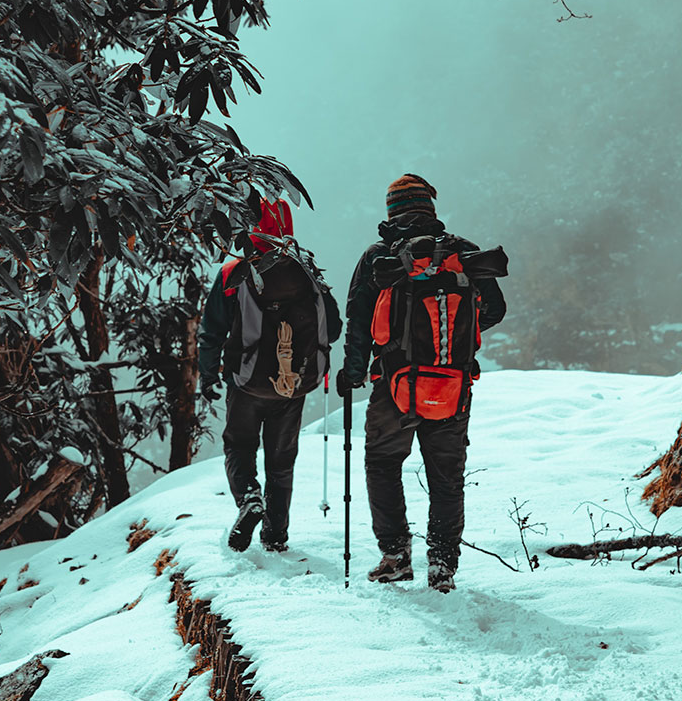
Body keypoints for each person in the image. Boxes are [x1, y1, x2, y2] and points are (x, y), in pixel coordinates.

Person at [337, 174, 506, 592]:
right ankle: (443, 565)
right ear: (430, 207)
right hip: (453, 383)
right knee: (446, 475)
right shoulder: (462, 252)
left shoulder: (380, 256)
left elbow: (358, 320)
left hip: (393, 383)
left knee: (383, 464)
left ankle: (395, 555)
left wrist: (354, 371)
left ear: (392, 211)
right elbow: (496, 310)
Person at [198, 198, 342, 553]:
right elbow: (334, 327)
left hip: (246, 383)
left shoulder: (235, 271)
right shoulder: (306, 268)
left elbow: (211, 331)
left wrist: (208, 376)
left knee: (240, 446)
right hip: (293, 386)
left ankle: (249, 500)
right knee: (281, 460)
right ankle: (276, 537)